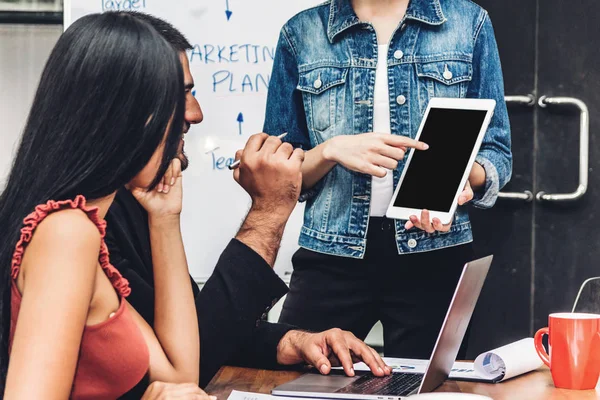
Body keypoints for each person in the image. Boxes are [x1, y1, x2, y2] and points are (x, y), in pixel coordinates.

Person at [105, 11, 391, 390]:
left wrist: (294, 342)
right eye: (180, 95)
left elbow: (195, 329)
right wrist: (268, 211)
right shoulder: (81, 225)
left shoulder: (137, 200)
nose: (196, 113)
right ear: (119, 110)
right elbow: (191, 363)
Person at [264, 0, 512, 359]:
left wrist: (463, 178)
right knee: (296, 375)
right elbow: (277, 171)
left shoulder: (468, 23)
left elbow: (497, 152)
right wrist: (331, 150)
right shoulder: (301, 33)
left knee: (431, 392)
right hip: (331, 255)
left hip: (434, 255)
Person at [0, 12, 208, 399]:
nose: (188, 117)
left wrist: (164, 218)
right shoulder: (67, 232)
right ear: (128, 118)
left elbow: (180, 378)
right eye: (172, 103)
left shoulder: (82, 231)